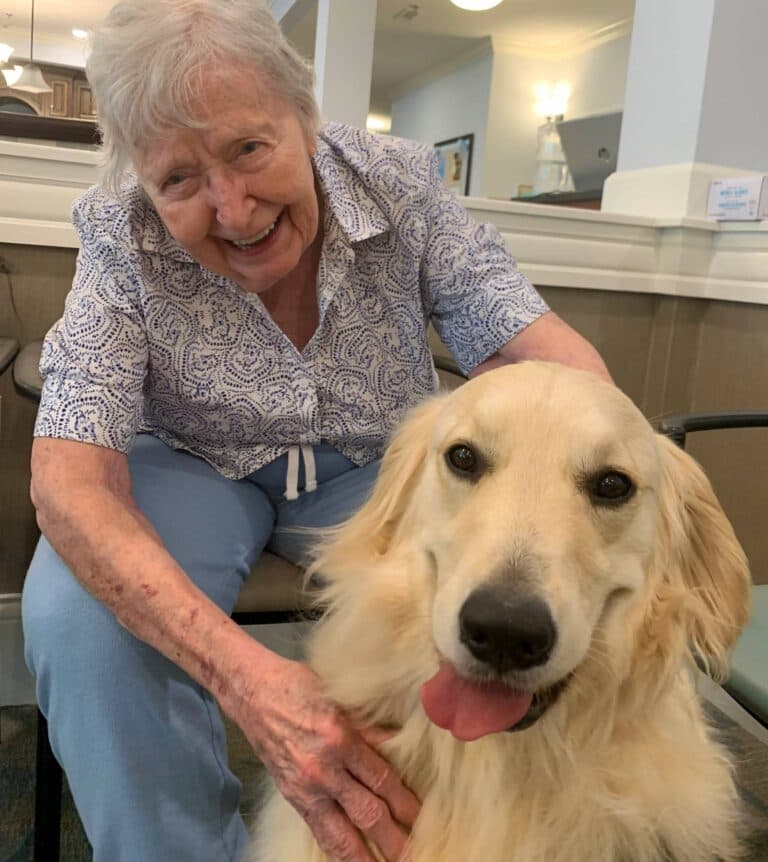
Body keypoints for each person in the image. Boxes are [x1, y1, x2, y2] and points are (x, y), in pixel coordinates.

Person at [21, 2, 612, 861]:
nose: (232, 207)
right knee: (84, 618)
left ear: (304, 117)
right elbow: (68, 482)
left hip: (377, 461)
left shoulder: (401, 182)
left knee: (478, 586)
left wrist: (608, 481)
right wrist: (248, 680)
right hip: (195, 462)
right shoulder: (119, 230)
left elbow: (545, 357)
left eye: (248, 149)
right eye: (179, 180)